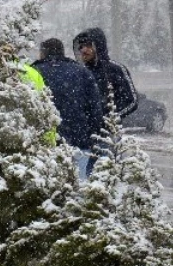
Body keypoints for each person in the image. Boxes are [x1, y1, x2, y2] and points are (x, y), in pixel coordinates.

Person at [33, 38, 103, 178]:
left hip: (46, 142)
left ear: (43, 53)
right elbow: (95, 109)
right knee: (79, 184)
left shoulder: (34, 72)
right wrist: (92, 136)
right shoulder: (82, 72)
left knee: (48, 186)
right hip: (79, 139)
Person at [72, 27, 137, 119]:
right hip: (82, 131)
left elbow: (131, 101)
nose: (83, 50)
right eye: (81, 46)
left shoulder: (116, 69)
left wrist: (109, 119)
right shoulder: (77, 72)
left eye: (88, 45)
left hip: (107, 131)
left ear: (98, 46)